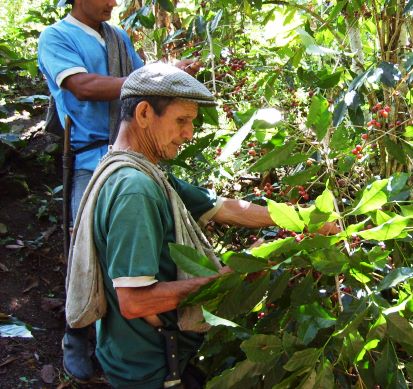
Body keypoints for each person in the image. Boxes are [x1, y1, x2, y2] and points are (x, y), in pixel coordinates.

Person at [68, 63, 339, 388]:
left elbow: (224, 208)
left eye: (191, 123)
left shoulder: (145, 171)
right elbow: (135, 301)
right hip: (148, 368)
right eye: (181, 121)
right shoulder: (135, 190)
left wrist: (305, 220)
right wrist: (230, 275)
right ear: (143, 114)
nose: (189, 134)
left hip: (148, 354)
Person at [38, 1, 203, 382]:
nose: (114, 2)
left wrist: (169, 81)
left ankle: (133, 335)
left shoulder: (118, 37)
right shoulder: (56, 37)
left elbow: (143, 83)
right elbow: (81, 86)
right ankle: (77, 332)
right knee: (86, 248)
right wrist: (158, 80)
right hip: (87, 154)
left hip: (126, 146)